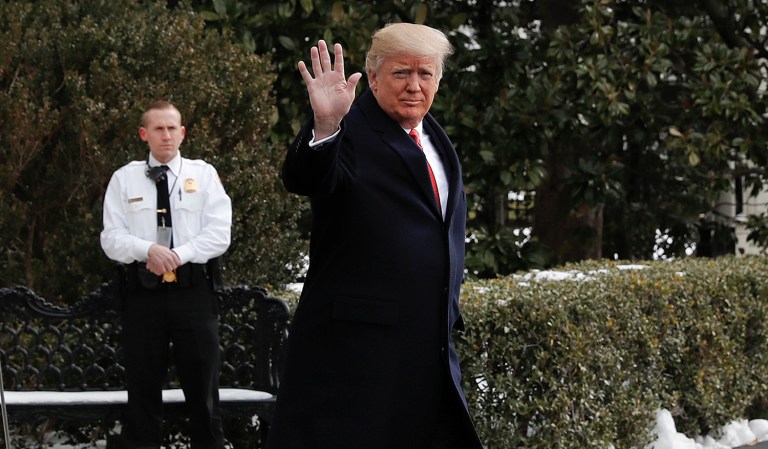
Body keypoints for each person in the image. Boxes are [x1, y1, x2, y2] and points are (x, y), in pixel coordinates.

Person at [266, 23, 483, 449]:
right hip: (354, 358)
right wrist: (326, 124)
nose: (414, 86)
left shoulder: (433, 134)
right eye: (401, 73)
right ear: (374, 74)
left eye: (426, 74)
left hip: (426, 352)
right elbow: (306, 177)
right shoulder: (349, 128)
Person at [100, 100, 232, 449]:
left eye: (173, 128)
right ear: (145, 134)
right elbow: (111, 239)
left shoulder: (203, 175)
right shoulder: (124, 179)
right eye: (158, 128)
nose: (167, 135)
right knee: (143, 390)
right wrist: (149, 250)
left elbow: (219, 233)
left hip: (193, 294)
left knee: (203, 389)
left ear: (183, 133)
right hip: (143, 296)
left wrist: (179, 255)